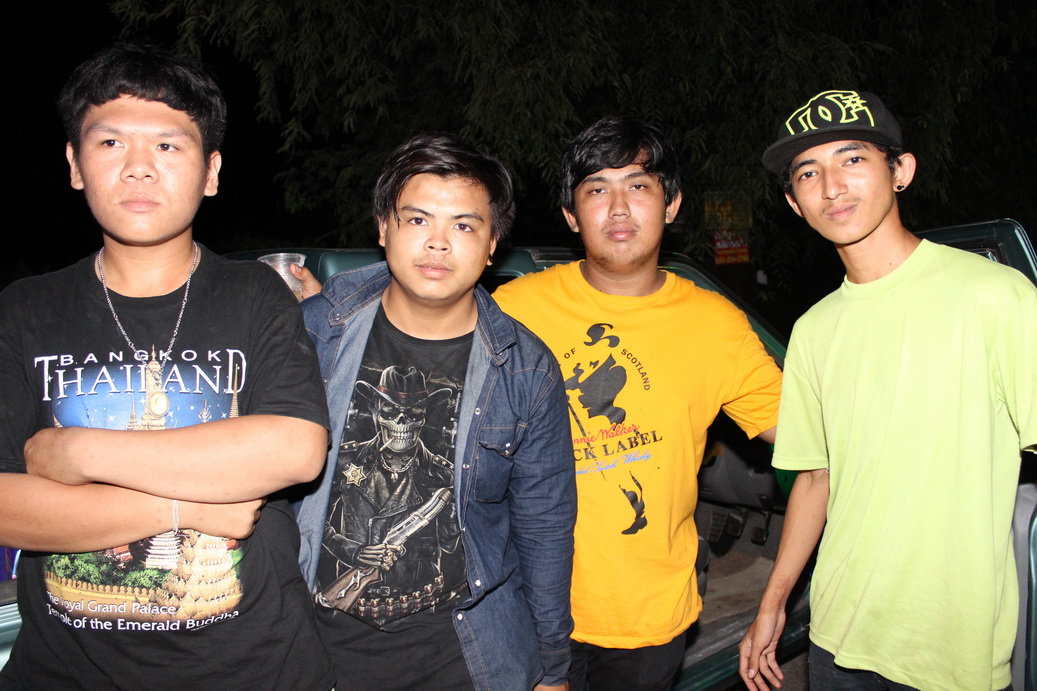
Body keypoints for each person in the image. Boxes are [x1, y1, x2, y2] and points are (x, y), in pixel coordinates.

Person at [0, 43, 333, 689]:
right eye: (110, 143)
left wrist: (77, 451)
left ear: (211, 171)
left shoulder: (254, 295)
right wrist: (188, 507)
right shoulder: (24, 308)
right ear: (74, 164)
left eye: (167, 145)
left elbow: (294, 449)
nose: (138, 168)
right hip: (65, 671)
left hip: (255, 669)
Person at [739, 89, 1037, 691]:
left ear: (901, 171)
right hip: (836, 639)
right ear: (795, 203)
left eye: (853, 159)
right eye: (808, 173)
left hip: (951, 648)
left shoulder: (996, 296)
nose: (832, 186)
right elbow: (815, 479)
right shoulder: (814, 329)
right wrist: (773, 602)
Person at [492, 115, 781, 691]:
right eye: (597, 189)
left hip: (649, 614)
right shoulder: (512, 308)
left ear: (671, 205)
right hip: (524, 603)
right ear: (572, 215)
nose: (619, 208)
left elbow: (812, 435)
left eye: (638, 186)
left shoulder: (715, 324)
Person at [293, 133, 576, 690]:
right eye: (418, 220)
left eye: (464, 226)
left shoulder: (526, 370)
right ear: (383, 227)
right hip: (314, 645)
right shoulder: (316, 331)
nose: (438, 244)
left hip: (464, 655)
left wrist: (552, 668)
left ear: (492, 244)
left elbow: (544, 528)